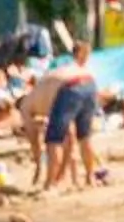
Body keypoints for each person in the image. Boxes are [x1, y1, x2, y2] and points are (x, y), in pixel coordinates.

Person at [38, 41, 102, 191]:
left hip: (71, 88)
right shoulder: (79, 67)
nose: (87, 57)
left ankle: (50, 183)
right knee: (84, 137)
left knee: (54, 139)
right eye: (85, 53)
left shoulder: (63, 65)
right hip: (88, 86)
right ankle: (89, 177)